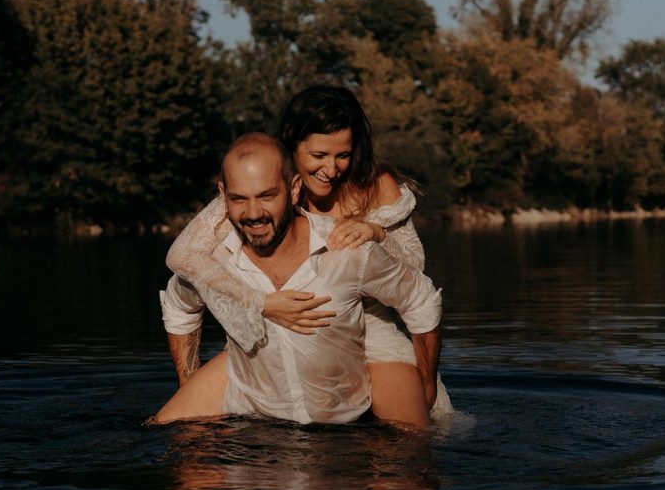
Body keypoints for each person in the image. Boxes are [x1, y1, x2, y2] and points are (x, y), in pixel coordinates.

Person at [165, 85, 453, 423]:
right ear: (292, 150)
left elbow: (413, 274)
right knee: (172, 429)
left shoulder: (374, 184)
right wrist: (260, 304)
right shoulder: (261, 186)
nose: (331, 170)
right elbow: (183, 255)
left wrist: (376, 234)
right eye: (319, 156)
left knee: (413, 439)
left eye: (342, 155)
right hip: (275, 325)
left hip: (369, 327)